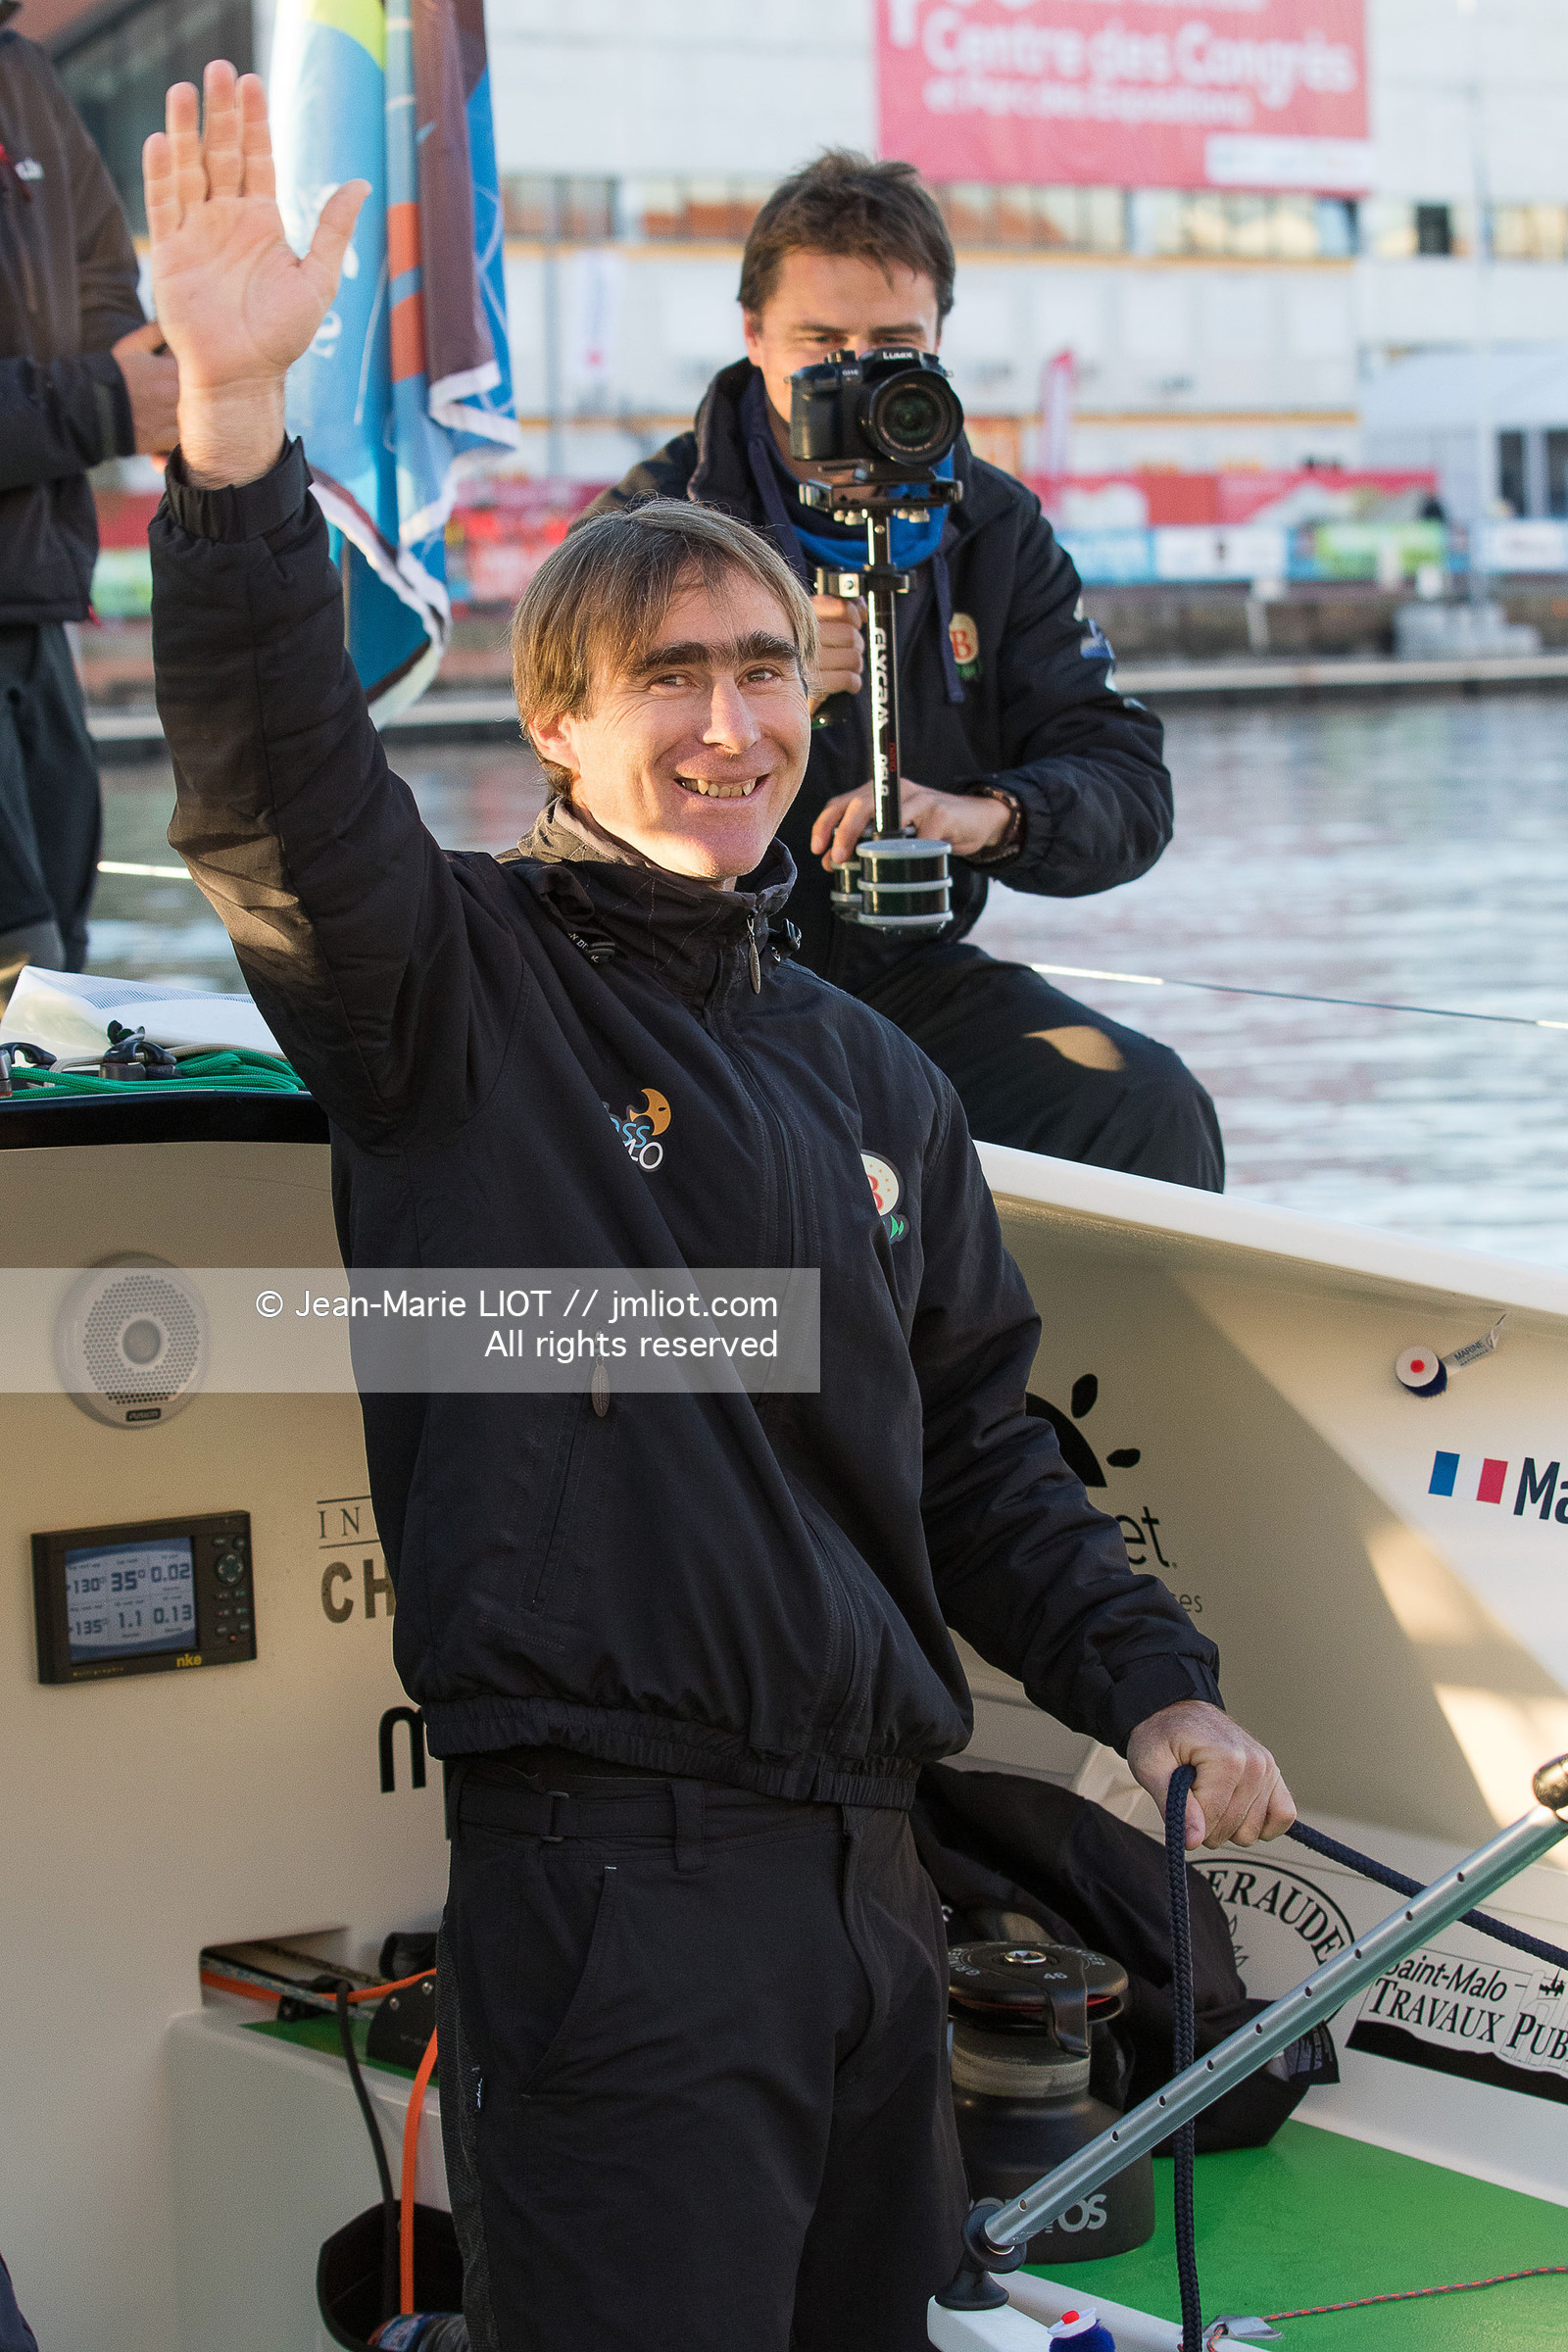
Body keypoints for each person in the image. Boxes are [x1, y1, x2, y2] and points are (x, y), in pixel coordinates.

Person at [143, 67, 1293, 2352]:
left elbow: (978, 1443)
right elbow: (273, 777)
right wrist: (236, 428)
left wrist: (1151, 1688)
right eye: (663, 676)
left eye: (762, 671)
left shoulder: (871, 1070)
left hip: (872, 1885)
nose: (728, 721)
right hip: (609, 1895)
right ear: (552, 731)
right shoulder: (451, 990)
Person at [591, 151, 1224, 1192]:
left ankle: (1086, 1358)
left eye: (892, 346)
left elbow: (1128, 783)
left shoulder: (992, 524)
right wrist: (760, 689)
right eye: (820, 343)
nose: (856, 374)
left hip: (905, 974)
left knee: (1142, 1103)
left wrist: (987, 815)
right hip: (683, 984)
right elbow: (574, 767)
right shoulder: (651, 527)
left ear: (937, 342)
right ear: (753, 340)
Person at [0, 9, 177, 992]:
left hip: (37, 597)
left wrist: (171, 371)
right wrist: (105, 401)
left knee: (58, 960)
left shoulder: (22, 71)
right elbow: (104, 378)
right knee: (21, 963)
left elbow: (106, 283)